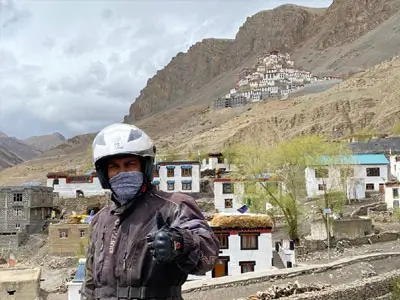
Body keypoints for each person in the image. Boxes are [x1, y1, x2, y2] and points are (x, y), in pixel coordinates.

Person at [80, 123, 220, 300]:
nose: (122, 172)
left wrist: (180, 243)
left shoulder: (173, 205)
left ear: (145, 167)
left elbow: (208, 256)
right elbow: (90, 283)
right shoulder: (100, 220)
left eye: (130, 164)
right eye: (114, 166)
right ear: (104, 174)